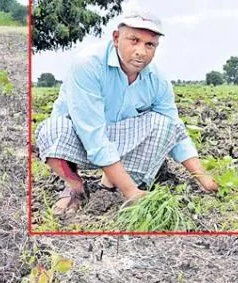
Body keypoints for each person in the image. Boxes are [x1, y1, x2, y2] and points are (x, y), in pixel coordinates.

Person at [35, 11, 219, 215]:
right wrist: (132, 191)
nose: (141, 51)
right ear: (116, 38)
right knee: (52, 129)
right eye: (134, 40)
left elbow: (175, 130)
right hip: (77, 139)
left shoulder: (157, 80)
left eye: (149, 45)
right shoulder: (88, 64)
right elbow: (92, 135)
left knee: (164, 125)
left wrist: (201, 176)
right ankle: (75, 187)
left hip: (119, 139)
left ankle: (110, 187)